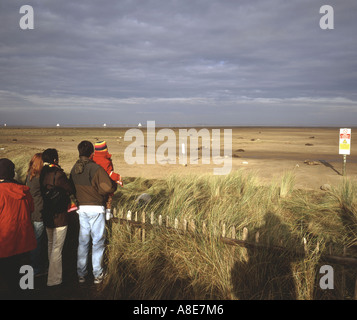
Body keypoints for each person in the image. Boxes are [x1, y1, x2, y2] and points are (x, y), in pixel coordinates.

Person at [70, 141, 117, 284]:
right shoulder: (95, 168)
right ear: (92, 153)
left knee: (83, 242)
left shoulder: (74, 169)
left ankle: (81, 274)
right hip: (96, 208)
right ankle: (98, 275)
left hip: (81, 209)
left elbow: (71, 187)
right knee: (98, 242)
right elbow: (108, 187)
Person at [0, 158, 36, 293]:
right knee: (26, 275)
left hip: (5, 242)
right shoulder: (25, 191)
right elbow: (31, 209)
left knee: (8, 281)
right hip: (25, 239)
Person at [40, 149, 74, 287]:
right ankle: (54, 279)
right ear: (55, 159)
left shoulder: (42, 173)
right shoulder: (58, 174)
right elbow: (70, 189)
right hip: (59, 216)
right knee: (57, 248)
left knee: (50, 244)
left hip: (47, 214)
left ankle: (51, 272)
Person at [26, 153, 47, 277]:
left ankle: (33, 266)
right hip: (38, 212)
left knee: (33, 240)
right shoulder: (40, 177)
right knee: (37, 241)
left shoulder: (29, 175)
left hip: (31, 211)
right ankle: (36, 268)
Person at [91, 140, 123, 219]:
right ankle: (108, 214)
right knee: (108, 199)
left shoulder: (93, 159)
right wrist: (118, 178)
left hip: (95, 184)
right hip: (105, 183)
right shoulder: (105, 161)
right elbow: (109, 173)